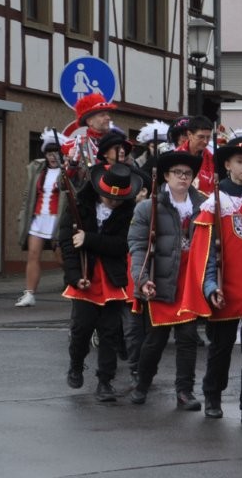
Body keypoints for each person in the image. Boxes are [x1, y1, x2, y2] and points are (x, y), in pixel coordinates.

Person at [189, 137, 242, 427]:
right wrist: (211, 286)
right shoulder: (215, 201)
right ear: (227, 165)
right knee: (221, 347)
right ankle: (212, 396)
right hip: (226, 287)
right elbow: (206, 251)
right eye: (240, 162)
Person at [128, 151, 210, 410]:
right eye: (177, 173)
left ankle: (184, 391)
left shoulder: (204, 206)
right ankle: (142, 384)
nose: (183, 178)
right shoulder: (147, 207)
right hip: (161, 279)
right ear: (165, 176)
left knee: (188, 338)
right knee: (155, 339)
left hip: (189, 281)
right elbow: (138, 247)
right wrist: (142, 280)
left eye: (188, 173)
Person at [59, 162, 140, 403]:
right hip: (84, 277)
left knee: (110, 332)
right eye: (108, 198)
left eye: (118, 199)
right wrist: (75, 277)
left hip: (112, 278)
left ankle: (105, 381)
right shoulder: (78, 207)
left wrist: (89, 239)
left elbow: (122, 245)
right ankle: (76, 364)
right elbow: (67, 244)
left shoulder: (128, 214)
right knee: (81, 329)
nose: (113, 202)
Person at [16, 129, 64, 307]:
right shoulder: (38, 171)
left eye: (56, 153)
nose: (53, 157)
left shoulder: (67, 172)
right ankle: (29, 294)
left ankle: (76, 283)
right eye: (49, 153)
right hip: (38, 218)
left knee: (62, 258)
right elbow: (28, 194)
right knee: (33, 254)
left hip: (57, 219)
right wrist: (23, 214)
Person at [175, 116, 216, 196]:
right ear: (189, 135)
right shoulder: (175, 157)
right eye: (201, 137)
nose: (205, 141)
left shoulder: (212, 159)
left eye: (208, 137)